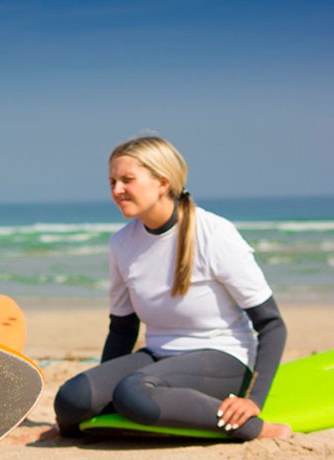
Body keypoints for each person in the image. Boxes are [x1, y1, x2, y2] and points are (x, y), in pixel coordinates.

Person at [52, 135, 290, 440]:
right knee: (71, 398)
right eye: (111, 181)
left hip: (223, 357)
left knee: (133, 393)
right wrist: (97, 401)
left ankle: (259, 431)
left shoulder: (215, 233)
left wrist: (254, 401)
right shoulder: (122, 243)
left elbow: (272, 324)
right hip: (159, 356)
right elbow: (123, 328)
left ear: (162, 182)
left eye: (127, 180)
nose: (116, 190)